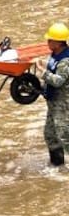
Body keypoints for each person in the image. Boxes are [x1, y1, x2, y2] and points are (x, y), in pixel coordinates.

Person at [39, 22, 69, 167]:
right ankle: (57, 164)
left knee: (65, 136)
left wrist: (42, 72)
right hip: (53, 103)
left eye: (50, 40)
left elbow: (58, 81)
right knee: (50, 134)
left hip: (63, 105)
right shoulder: (55, 55)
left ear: (58, 43)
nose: (48, 42)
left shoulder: (65, 61)